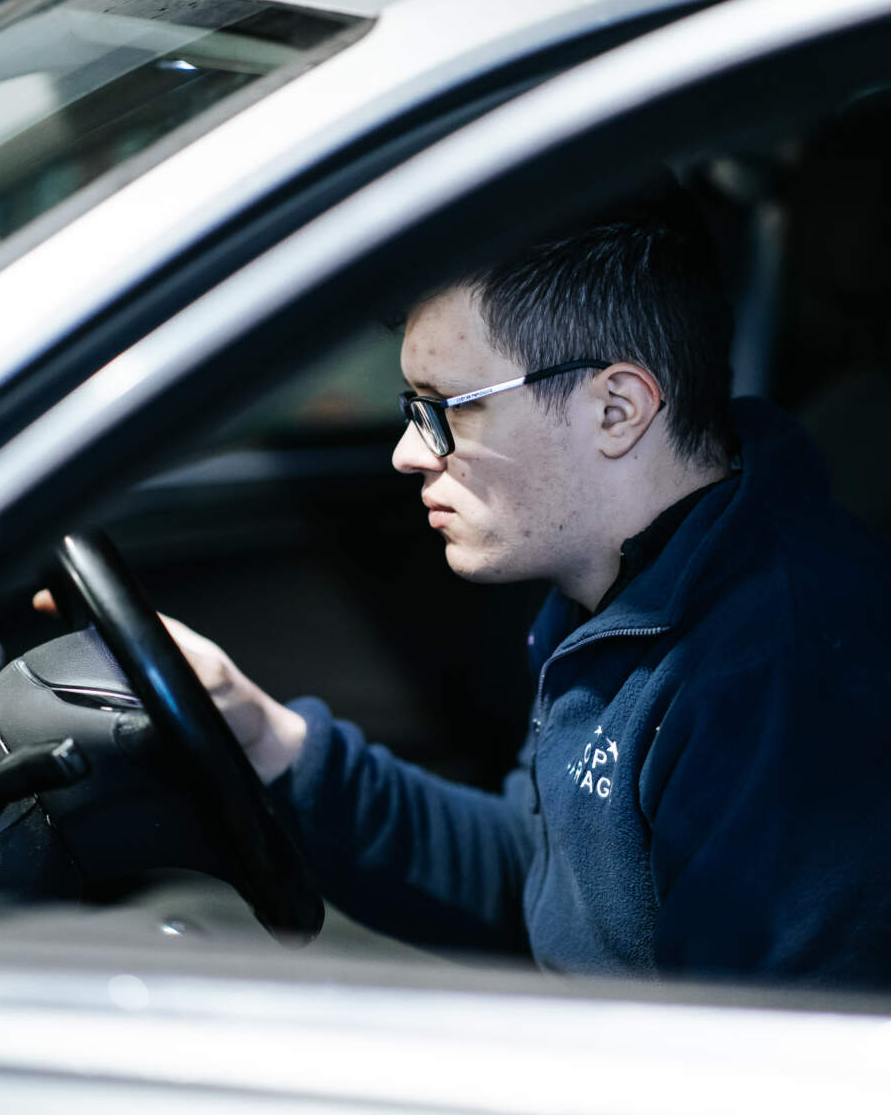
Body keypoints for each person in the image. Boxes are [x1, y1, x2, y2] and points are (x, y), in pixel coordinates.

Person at [164, 188, 891, 986]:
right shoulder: (623, 582)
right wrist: (267, 741)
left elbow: (749, 1079)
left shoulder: (785, 675)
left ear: (616, 410)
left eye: (447, 409)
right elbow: (543, 882)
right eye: (413, 408)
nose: (410, 453)